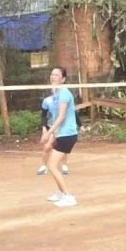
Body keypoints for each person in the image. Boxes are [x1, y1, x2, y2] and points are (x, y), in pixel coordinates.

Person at [38, 67, 78, 207]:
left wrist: (48, 133)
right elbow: (54, 117)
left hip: (68, 134)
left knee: (52, 165)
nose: (53, 77)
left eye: (57, 75)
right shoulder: (55, 95)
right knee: (51, 163)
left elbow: (61, 117)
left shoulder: (64, 94)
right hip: (61, 134)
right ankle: (61, 193)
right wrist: (52, 135)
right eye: (52, 74)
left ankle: (68, 196)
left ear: (63, 79)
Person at [36, 91, 70, 176]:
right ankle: (43, 166)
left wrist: (80, 125)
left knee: (62, 147)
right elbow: (43, 115)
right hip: (51, 127)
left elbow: (73, 114)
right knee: (47, 146)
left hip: (63, 127)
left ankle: (64, 166)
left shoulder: (65, 100)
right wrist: (44, 127)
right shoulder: (47, 101)